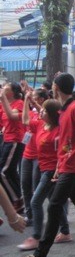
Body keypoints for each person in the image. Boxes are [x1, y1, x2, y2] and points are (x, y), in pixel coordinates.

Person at [12, 73, 75, 257]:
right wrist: (59, 164)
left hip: (73, 167)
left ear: (56, 87)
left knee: (55, 205)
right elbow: (66, 142)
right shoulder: (63, 111)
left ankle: (39, 256)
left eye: (52, 86)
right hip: (65, 165)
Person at [17, 98, 72, 251]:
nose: (40, 111)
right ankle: (66, 232)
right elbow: (26, 119)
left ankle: (36, 237)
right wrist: (28, 100)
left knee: (35, 202)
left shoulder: (59, 131)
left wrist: (59, 167)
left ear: (52, 114)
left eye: (44, 110)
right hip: (43, 168)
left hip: (51, 171)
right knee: (54, 201)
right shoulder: (41, 124)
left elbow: (67, 150)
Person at [20, 89, 49, 227]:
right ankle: (30, 215)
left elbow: (25, 120)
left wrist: (27, 100)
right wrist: (29, 101)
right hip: (27, 154)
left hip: (38, 156)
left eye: (35, 98)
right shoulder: (33, 113)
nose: (32, 100)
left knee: (37, 188)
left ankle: (39, 216)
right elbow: (26, 118)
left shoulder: (45, 117)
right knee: (25, 185)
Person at [0, 82, 26, 213]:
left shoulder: (19, 103)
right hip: (6, 140)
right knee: (10, 171)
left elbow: (11, 116)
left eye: (6, 86)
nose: (4, 87)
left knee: (3, 172)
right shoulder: (4, 104)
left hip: (15, 140)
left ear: (12, 92)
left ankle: (17, 200)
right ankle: (20, 198)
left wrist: (2, 98)